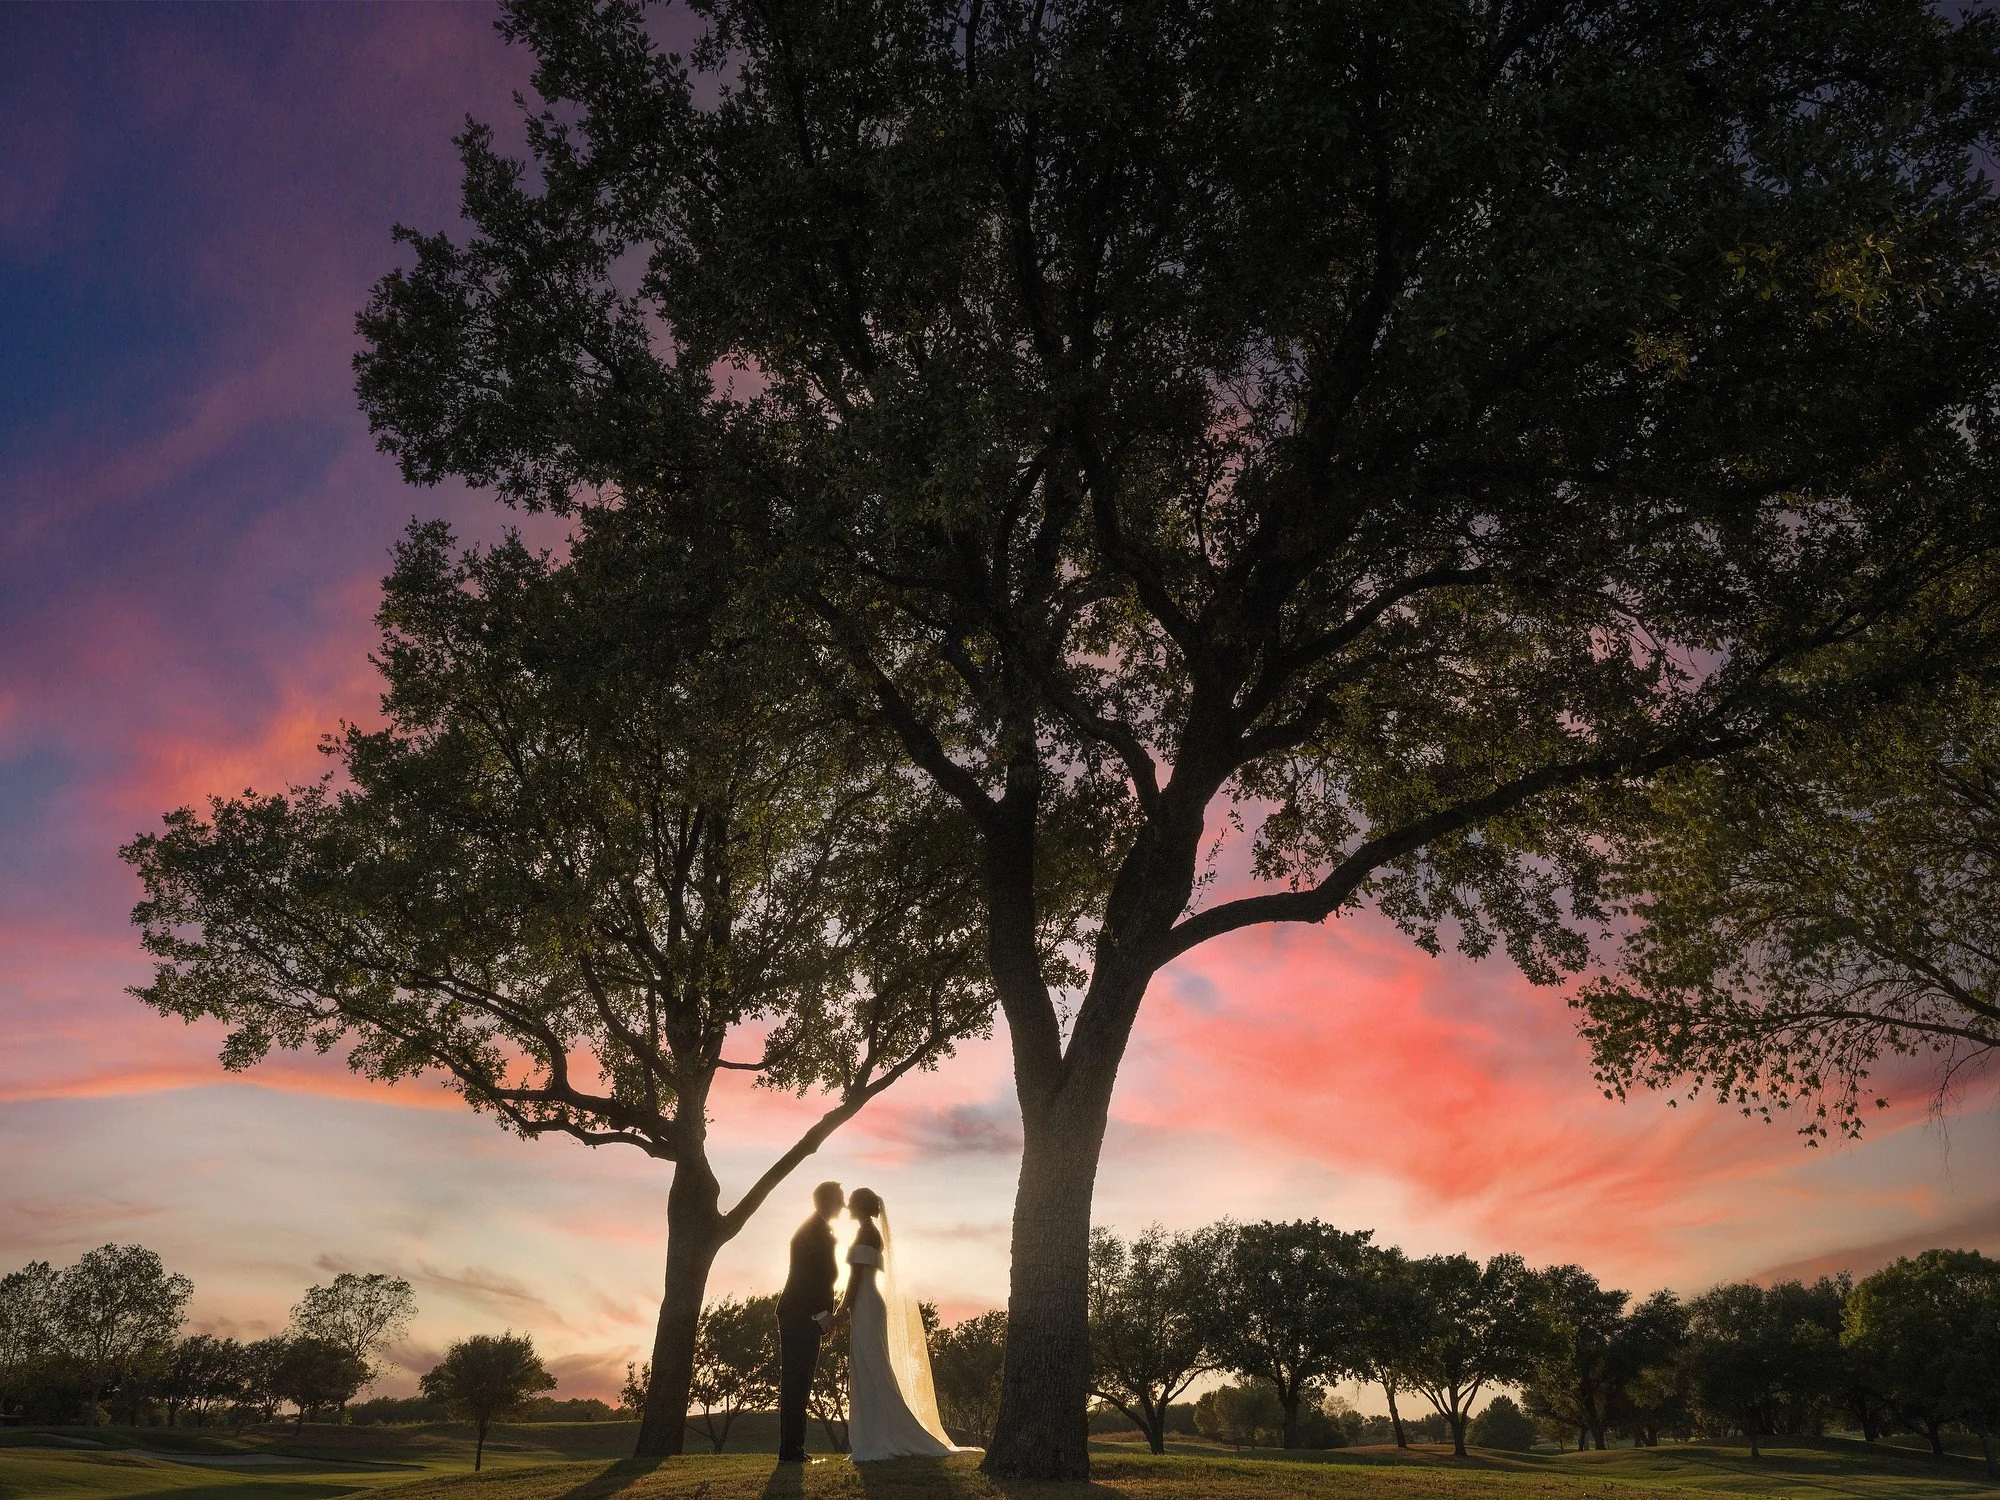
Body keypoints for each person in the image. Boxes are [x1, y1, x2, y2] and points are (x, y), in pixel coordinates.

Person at [837, 1186, 969, 1461]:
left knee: (873, 1365)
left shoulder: (866, 1233)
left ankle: (889, 1433)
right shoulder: (868, 1233)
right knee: (868, 1365)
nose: (848, 1207)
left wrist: (841, 1310)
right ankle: (876, 1433)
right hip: (868, 1302)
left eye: (851, 1203)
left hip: (866, 1302)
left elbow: (855, 1278)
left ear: (860, 1206)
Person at [775, 1180, 844, 1463]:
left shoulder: (818, 1229)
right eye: (840, 1199)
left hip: (804, 1316)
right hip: (799, 1315)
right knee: (796, 1381)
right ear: (828, 1201)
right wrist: (822, 1314)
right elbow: (807, 1278)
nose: (844, 1205)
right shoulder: (812, 1232)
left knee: (800, 1381)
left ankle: (793, 1447)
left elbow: (819, 1278)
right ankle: (790, 1449)